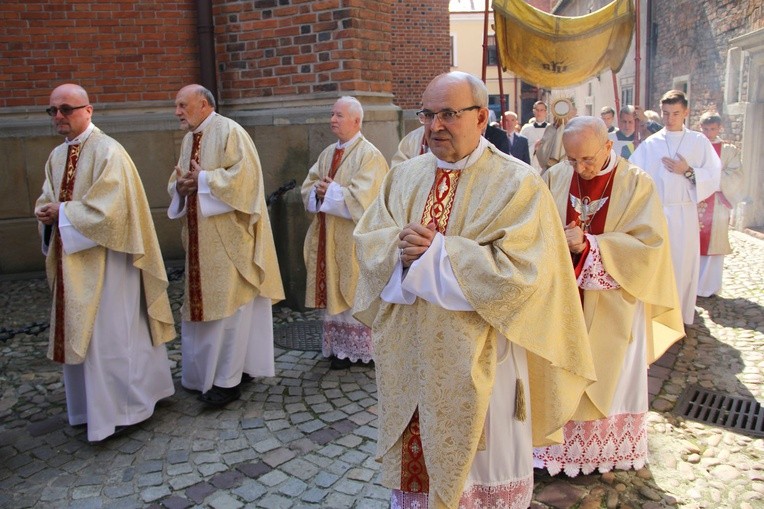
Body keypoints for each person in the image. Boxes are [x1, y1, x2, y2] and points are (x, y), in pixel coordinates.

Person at [353, 71, 595, 509]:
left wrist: (438, 254)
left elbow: (522, 274)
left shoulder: (518, 184)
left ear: (482, 117)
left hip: (485, 357)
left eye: (449, 114)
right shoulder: (404, 176)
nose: (434, 126)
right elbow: (370, 240)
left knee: (479, 477)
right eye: (427, 114)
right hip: (412, 354)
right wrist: (398, 251)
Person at [535, 116, 685, 476]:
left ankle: (601, 451)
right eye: (572, 160)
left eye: (587, 159)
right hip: (562, 301)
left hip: (614, 301)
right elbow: (534, 227)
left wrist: (591, 246)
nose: (580, 168)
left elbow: (650, 248)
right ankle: (554, 450)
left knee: (608, 376)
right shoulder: (555, 177)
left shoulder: (637, 184)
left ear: (608, 147)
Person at [35, 84, 175, 442]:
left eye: (66, 109)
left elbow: (112, 212)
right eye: (52, 111)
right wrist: (47, 212)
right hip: (73, 258)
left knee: (113, 335)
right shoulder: (56, 156)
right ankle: (87, 408)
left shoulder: (108, 150)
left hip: (110, 262)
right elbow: (49, 196)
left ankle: (126, 408)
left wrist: (62, 212)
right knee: (87, 333)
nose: (59, 117)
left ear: (88, 109)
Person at [168, 84, 284, 406]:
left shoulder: (231, 132)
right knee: (206, 309)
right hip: (200, 239)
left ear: (203, 105)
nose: (177, 112)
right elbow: (180, 177)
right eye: (177, 106)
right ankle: (203, 374)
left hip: (229, 241)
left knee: (232, 309)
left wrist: (203, 180)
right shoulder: (190, 139)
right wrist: (180, 186)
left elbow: (245, 182)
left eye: (182, 105)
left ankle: (227, 381)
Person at [301, 96, 389, 370]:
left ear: (356, 121)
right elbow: (309, 184)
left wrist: (332, 192)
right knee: (334, 290)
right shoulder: (327, 153)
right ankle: (339, 350)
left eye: (339, 115)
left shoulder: (369, 155)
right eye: (332, 114)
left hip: (355, 240)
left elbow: (368, 199)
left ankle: (363, 352)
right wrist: (317, 191)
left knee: (354, 291)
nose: (333, 120)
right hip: (329, 235)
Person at [630, 90, 721, 325]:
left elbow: (713, 174)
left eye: (676, 113)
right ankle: (657, 317)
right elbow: (632, 176)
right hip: (658, 213)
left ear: (686, 113)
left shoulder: (698, 142)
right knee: (659, 266)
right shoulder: (651, 143)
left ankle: (680, 316)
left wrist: (687, 171)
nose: (670, 119)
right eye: (666, 113)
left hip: (684, 212)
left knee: (683, 265)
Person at [696, 111, 746, 297]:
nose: (709, 133)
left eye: (713, 129)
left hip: (717, 203)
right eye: (706, 129)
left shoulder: (728, 150)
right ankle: (694, 283)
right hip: (697, 200)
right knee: (694, 242)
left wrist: (710, 180)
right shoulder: (695, 147)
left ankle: (710, 286)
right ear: (700, 127)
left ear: (719, 128)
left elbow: (735, 174)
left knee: (714, 244)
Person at [520, 100, 548, 172]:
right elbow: (521, 148)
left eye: (541, 110)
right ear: (534, 111)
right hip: (531, 164)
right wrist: (534, 147)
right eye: (537, 110)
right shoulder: (526, 129)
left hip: (546, 164)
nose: (539, 112)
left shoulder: (551, 128)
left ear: (545, 112)